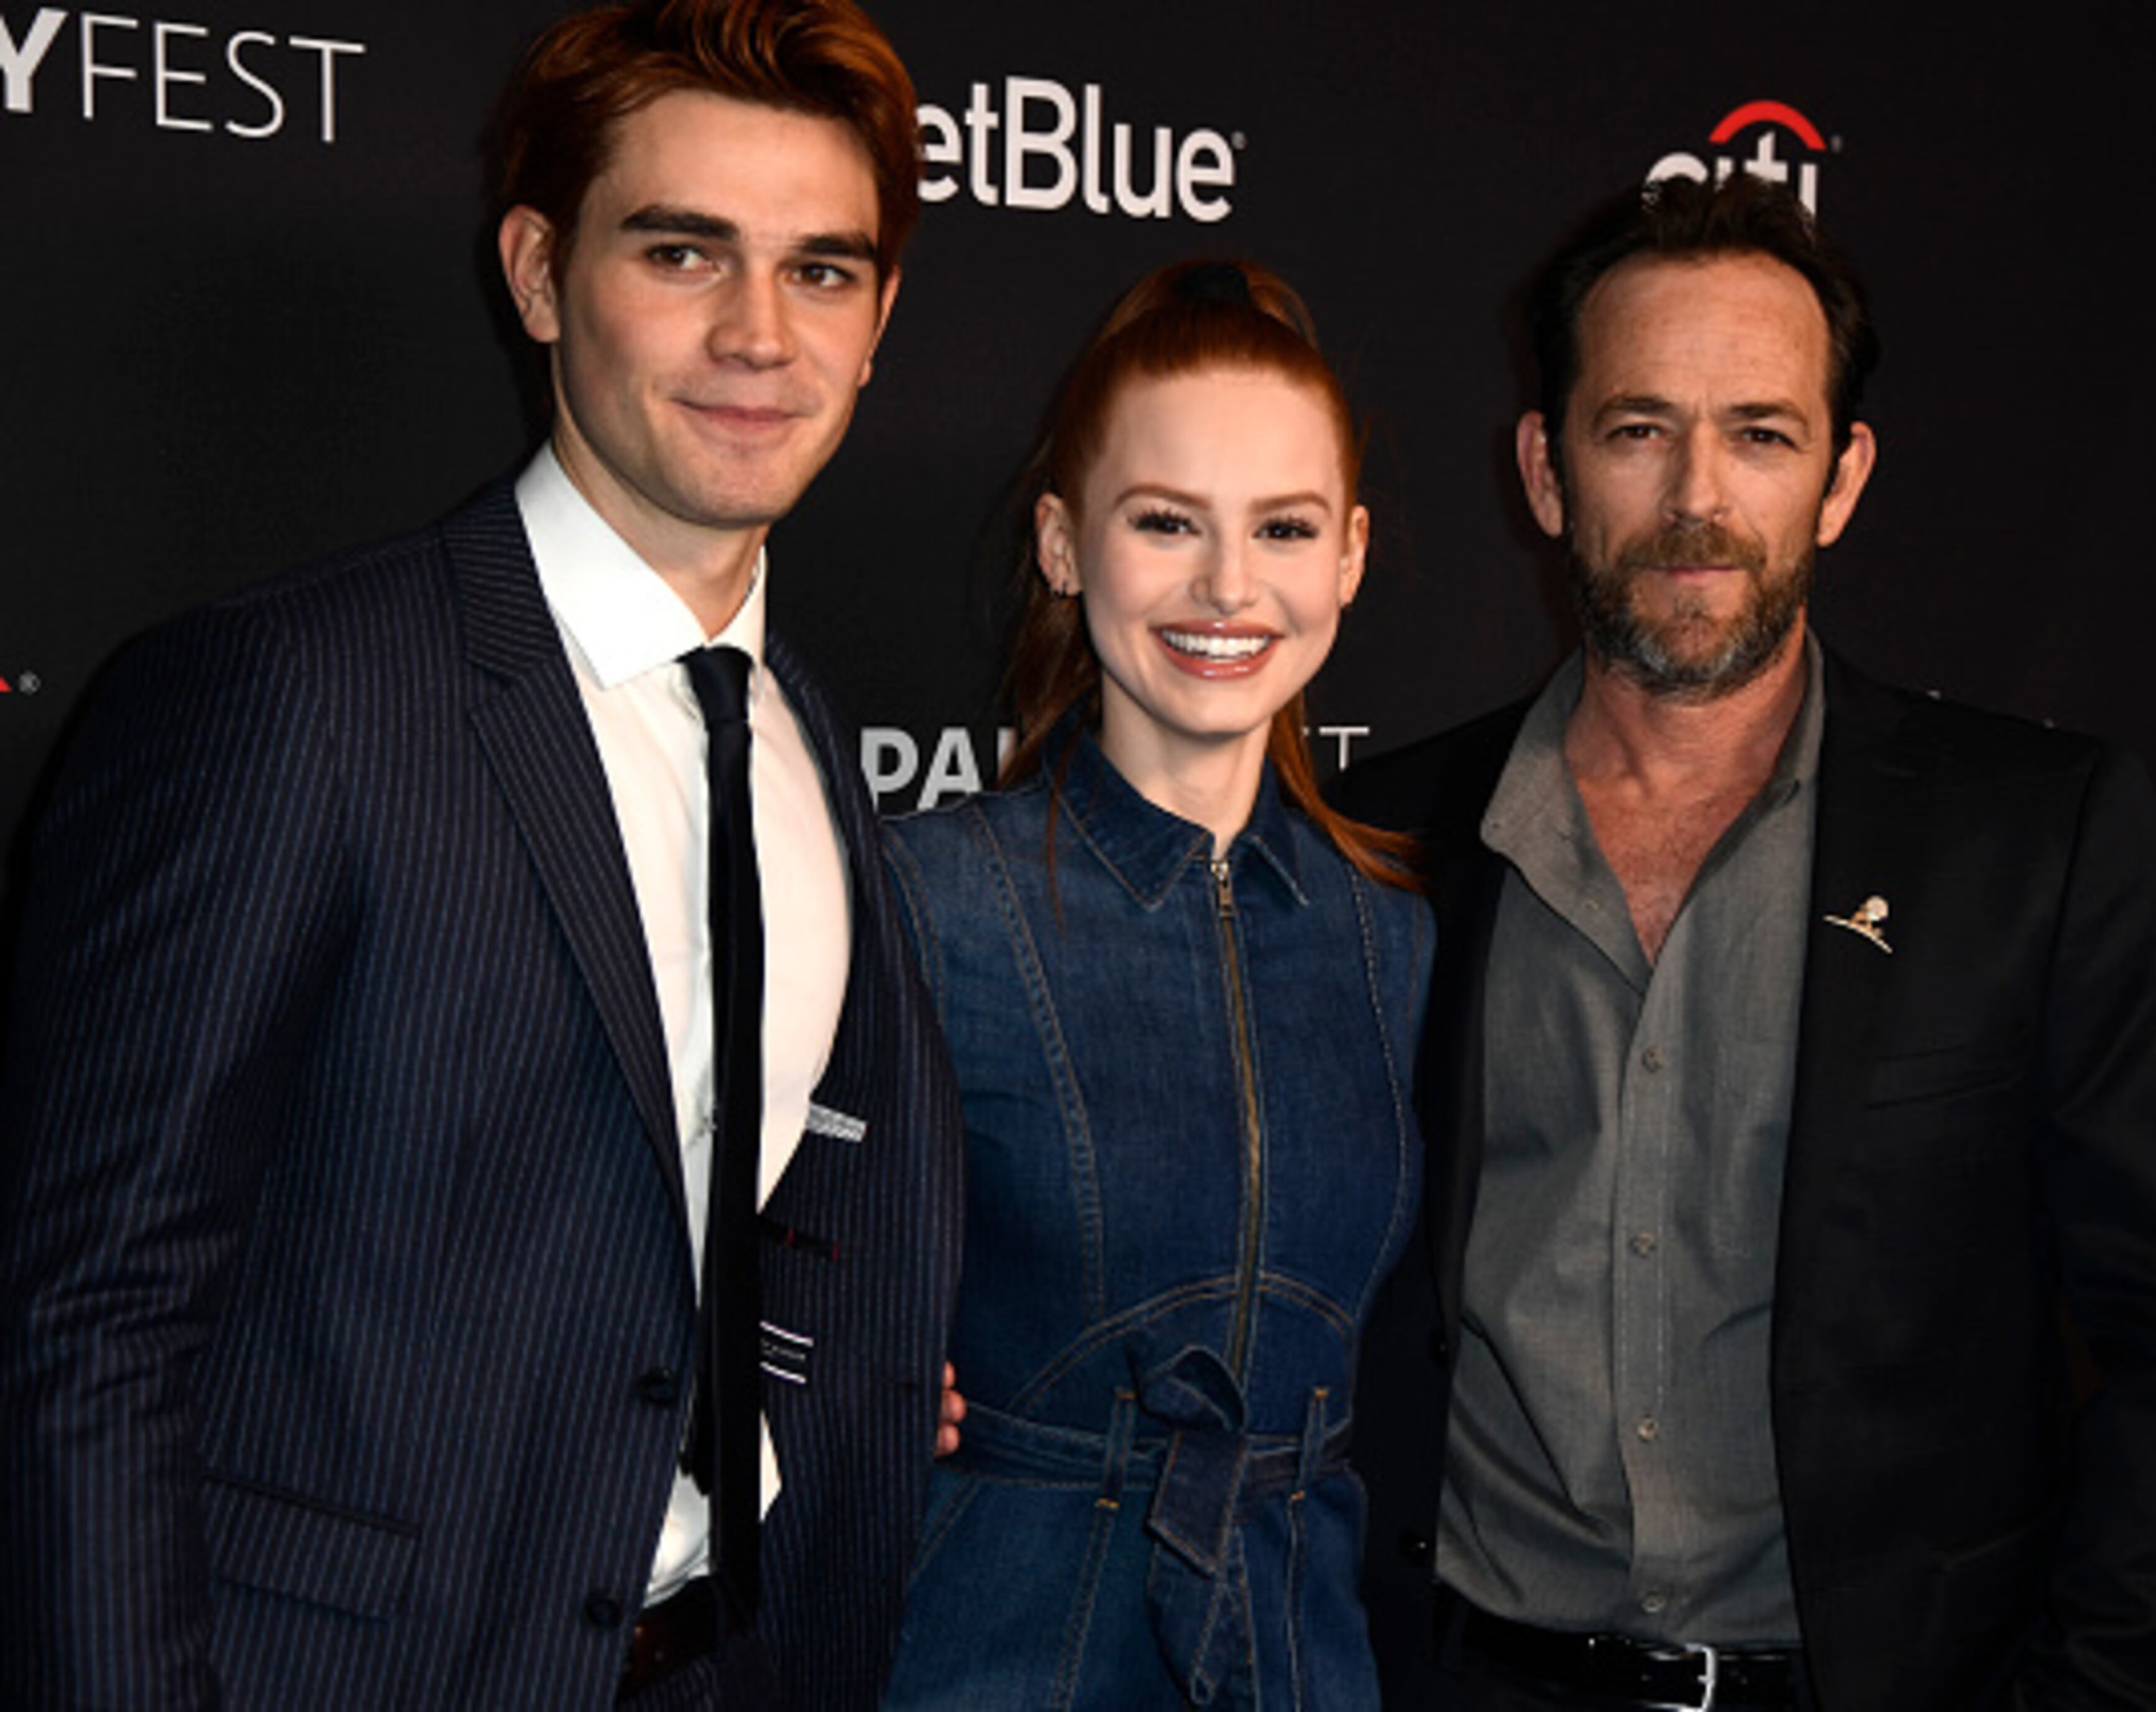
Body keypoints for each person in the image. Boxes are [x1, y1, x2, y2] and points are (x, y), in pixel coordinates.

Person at [0, 1, 962, 1706]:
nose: (760, 334)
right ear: (536, 274)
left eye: (823, 271)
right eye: (684, 253)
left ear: (881, 319)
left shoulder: (805, 727)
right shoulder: (288, 695)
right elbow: (87, 1323)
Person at [1339, 175, 2156, 1712]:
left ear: (1841, 480)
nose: (1698, 495)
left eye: (1762, 434)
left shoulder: (2033, 840)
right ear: (1546, 470)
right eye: (1639, 429)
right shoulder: (1380, 843)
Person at [875, 259, 1431, 1710]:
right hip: (996, 1646)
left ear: (1351, 556)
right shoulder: (928, 898)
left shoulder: (1399, 933)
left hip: (1304, 1651)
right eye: (1166, 522)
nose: (1229, 587)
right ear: (1065, 545)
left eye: (1284, 528)